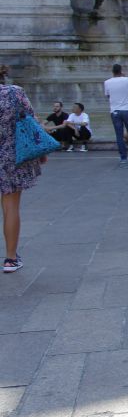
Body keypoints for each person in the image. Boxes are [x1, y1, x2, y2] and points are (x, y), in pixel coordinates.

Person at [0, 66, 45, 273]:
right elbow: (31, 121)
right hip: (10, 157)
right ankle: (10, 258)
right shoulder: (14, 93)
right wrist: (40, 150)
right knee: (11, 208)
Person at [104, 63, 128, 164]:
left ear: (112, 71)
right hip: (126, 109)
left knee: (119, 135)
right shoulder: (127, 80)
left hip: (115, 110)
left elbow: (108, 96)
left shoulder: (107, 82)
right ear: (121, 70)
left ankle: (123, 157)